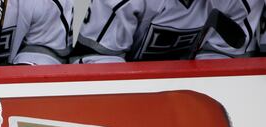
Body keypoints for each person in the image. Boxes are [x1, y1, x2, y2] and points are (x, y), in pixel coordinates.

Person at [70, 0, 255, 63]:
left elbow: (222, 59)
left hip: (189, 99)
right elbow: (96, 59)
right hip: (129, 93)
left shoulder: (238, 3)